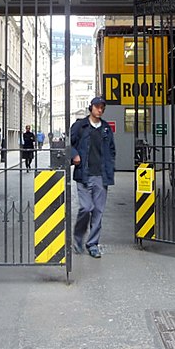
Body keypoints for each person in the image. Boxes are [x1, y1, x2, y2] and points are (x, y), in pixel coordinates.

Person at [70, 96, 115, 259]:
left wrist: (111, 167)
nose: (100, 110)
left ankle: (93, 244)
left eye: (102, 107)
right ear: (91, 108)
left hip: (101, 176)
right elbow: (69, 144)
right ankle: (78, 238)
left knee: (98, 211)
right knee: (86, 208)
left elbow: (111, 149)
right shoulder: (79, 126)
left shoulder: (105, 128)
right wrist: (74, 155)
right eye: (97, 107)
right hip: (84, 175)